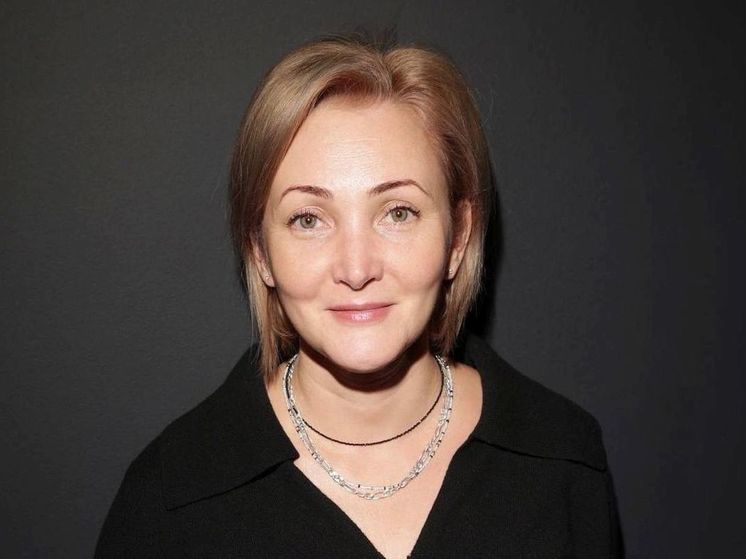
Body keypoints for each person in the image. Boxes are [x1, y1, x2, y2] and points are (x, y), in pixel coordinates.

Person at [96, 34, 623, 558]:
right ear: (260, 251)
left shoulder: (563, 460)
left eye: (398, 213)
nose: (356, 269)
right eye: (309, 219)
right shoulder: (168, 502)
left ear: (458, 238)